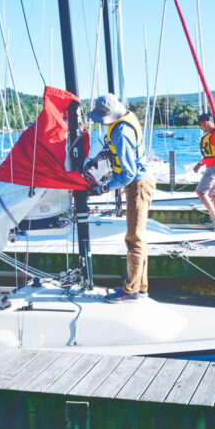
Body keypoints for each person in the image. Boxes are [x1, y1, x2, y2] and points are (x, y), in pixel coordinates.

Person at [86, 93, 156, 303]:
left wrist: (104, 188)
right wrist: (99, 157)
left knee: (134, 238)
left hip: (138, 185)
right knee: (139, 237)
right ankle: (140, 286)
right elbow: (117, 151)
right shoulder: (122, 121)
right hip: (139, 183)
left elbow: (128, 173)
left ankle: (131, 290)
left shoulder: (122, 132)